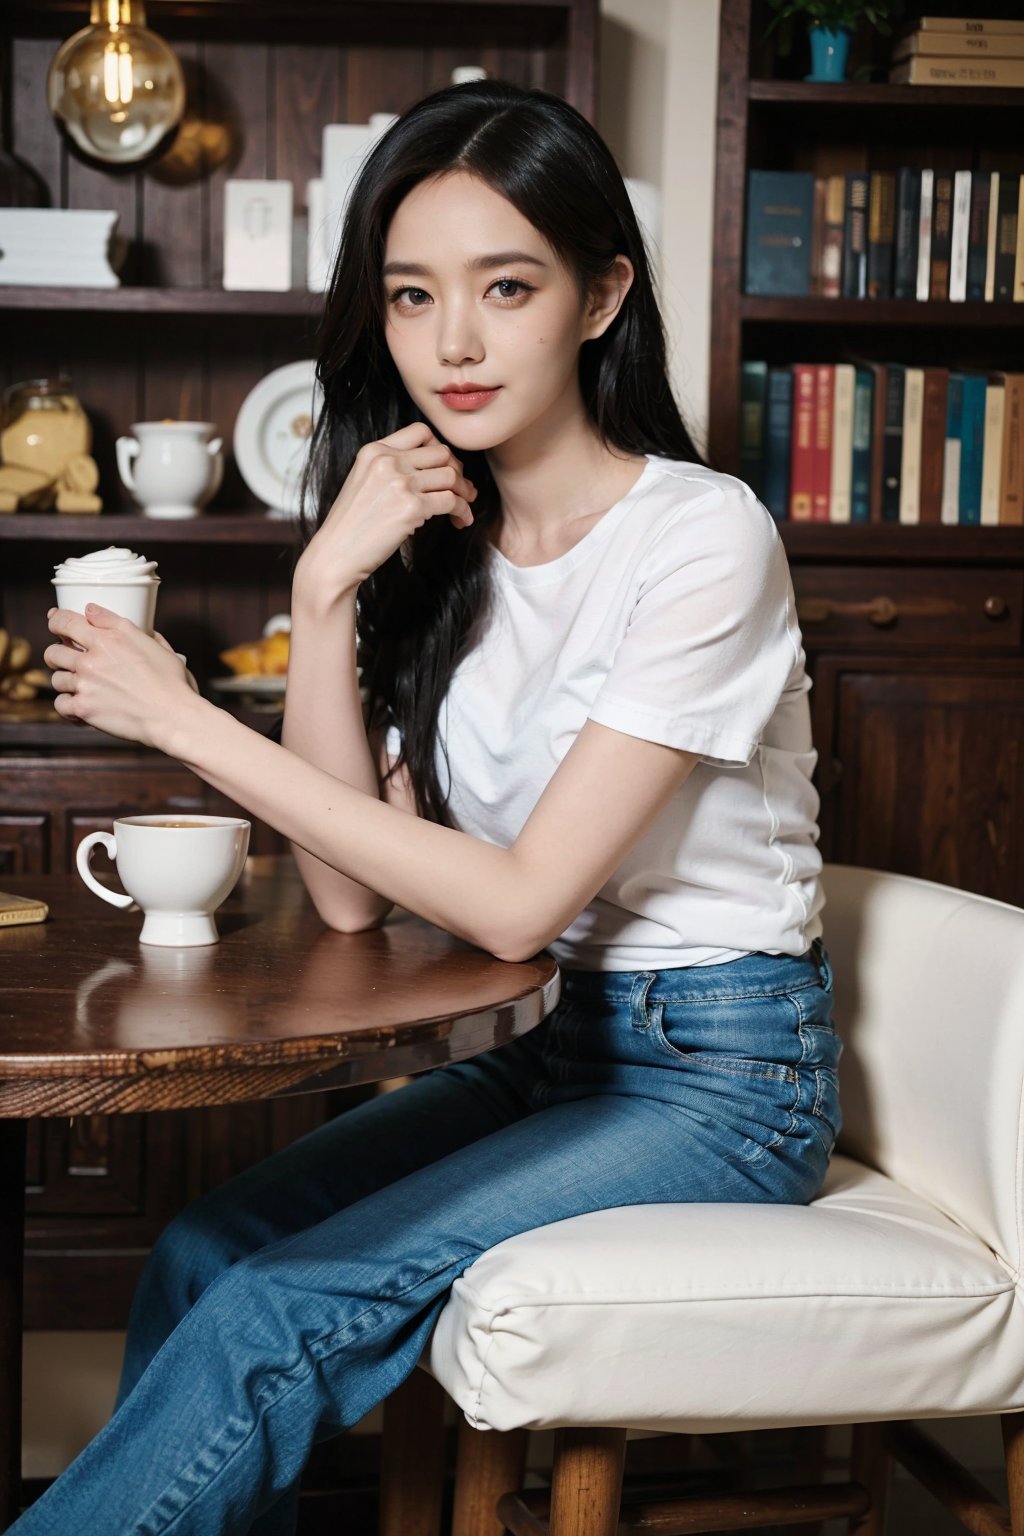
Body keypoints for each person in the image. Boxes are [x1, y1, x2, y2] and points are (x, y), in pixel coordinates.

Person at [27, 77, 841, 1536]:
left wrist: (186, 720)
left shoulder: (703, 536)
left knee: (270, 1313)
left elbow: (520, 899)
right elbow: (347, 893)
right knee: (206, 1252)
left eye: (506, 286)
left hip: (720, 1078)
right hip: (545, 1044)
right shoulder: (440, 540)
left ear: (601, 297)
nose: (452, 344)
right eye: (411, 296)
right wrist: (322, 587)